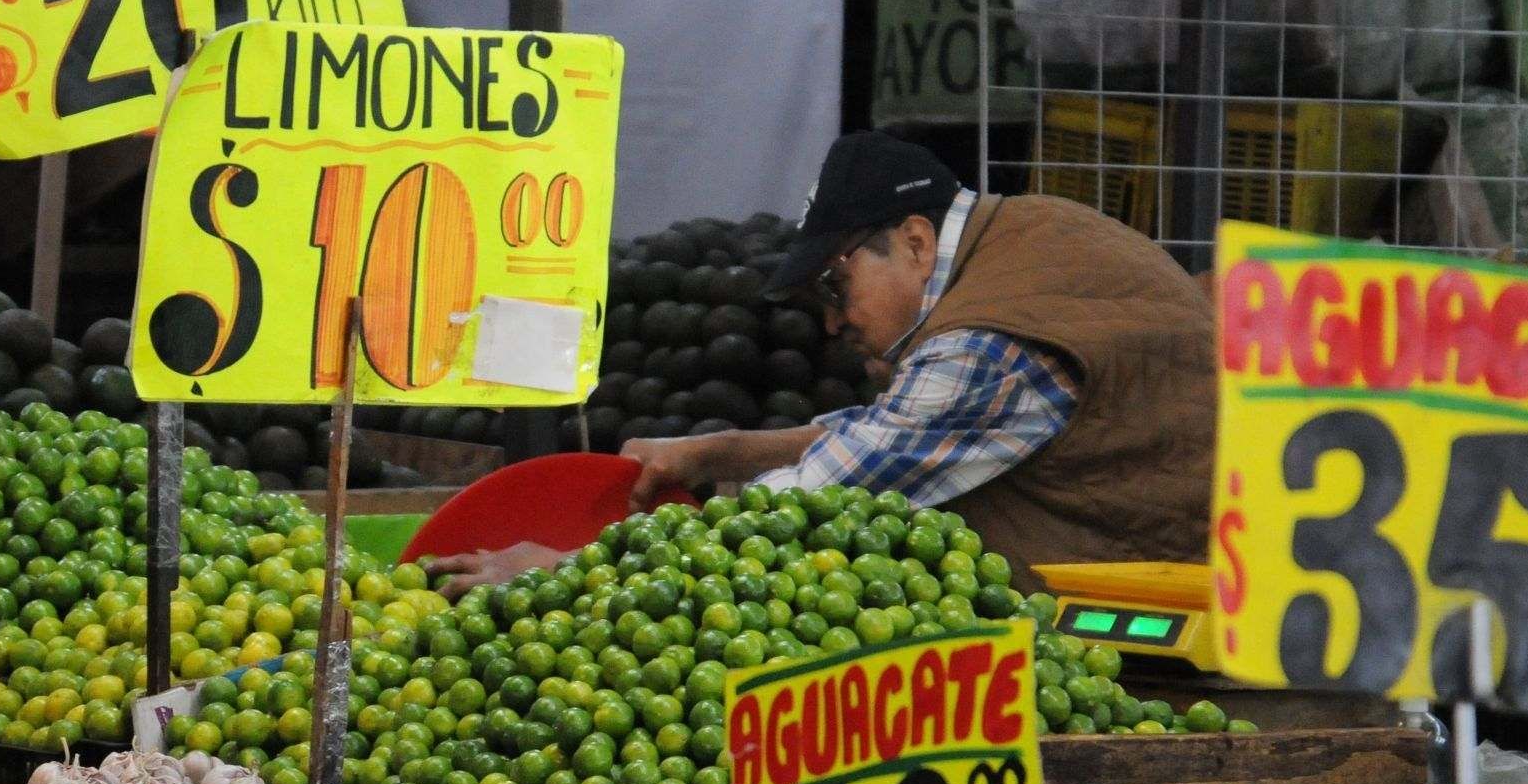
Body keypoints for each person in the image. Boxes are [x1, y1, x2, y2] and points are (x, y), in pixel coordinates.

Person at [435, 129, 1215, 596]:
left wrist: (569, 569)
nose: (836, 320)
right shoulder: (1029, 229)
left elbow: (801, 511)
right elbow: (897, 428)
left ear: (914, 241)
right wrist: (729, 450)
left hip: (1166, 624)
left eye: (837, 285)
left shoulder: (988, 342)